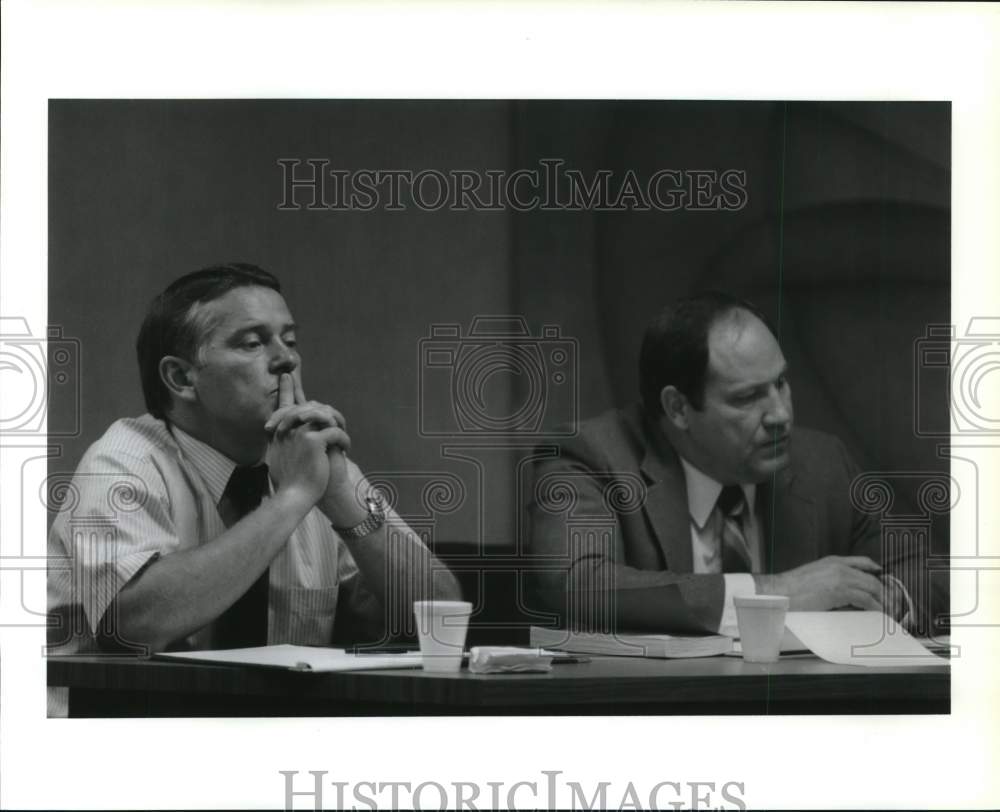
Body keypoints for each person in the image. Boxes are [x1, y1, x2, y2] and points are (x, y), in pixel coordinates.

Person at [48, 263, 461, 667]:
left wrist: (343, 503)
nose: (287, 361)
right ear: (181, 378)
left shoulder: (316, 463)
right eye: (252, 343)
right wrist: (293, 498)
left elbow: (442, 619)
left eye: (290, 340)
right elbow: (135, 626)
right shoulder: (123, 460)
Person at [528, 291, 919, 635]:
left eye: (781, 383)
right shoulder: (591, 456)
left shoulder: (823, 462)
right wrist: (776, 592)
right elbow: (577, 584)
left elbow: (925, 572)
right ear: (678, 408)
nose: (780, 414)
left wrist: (885, 597)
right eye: (748, 398)